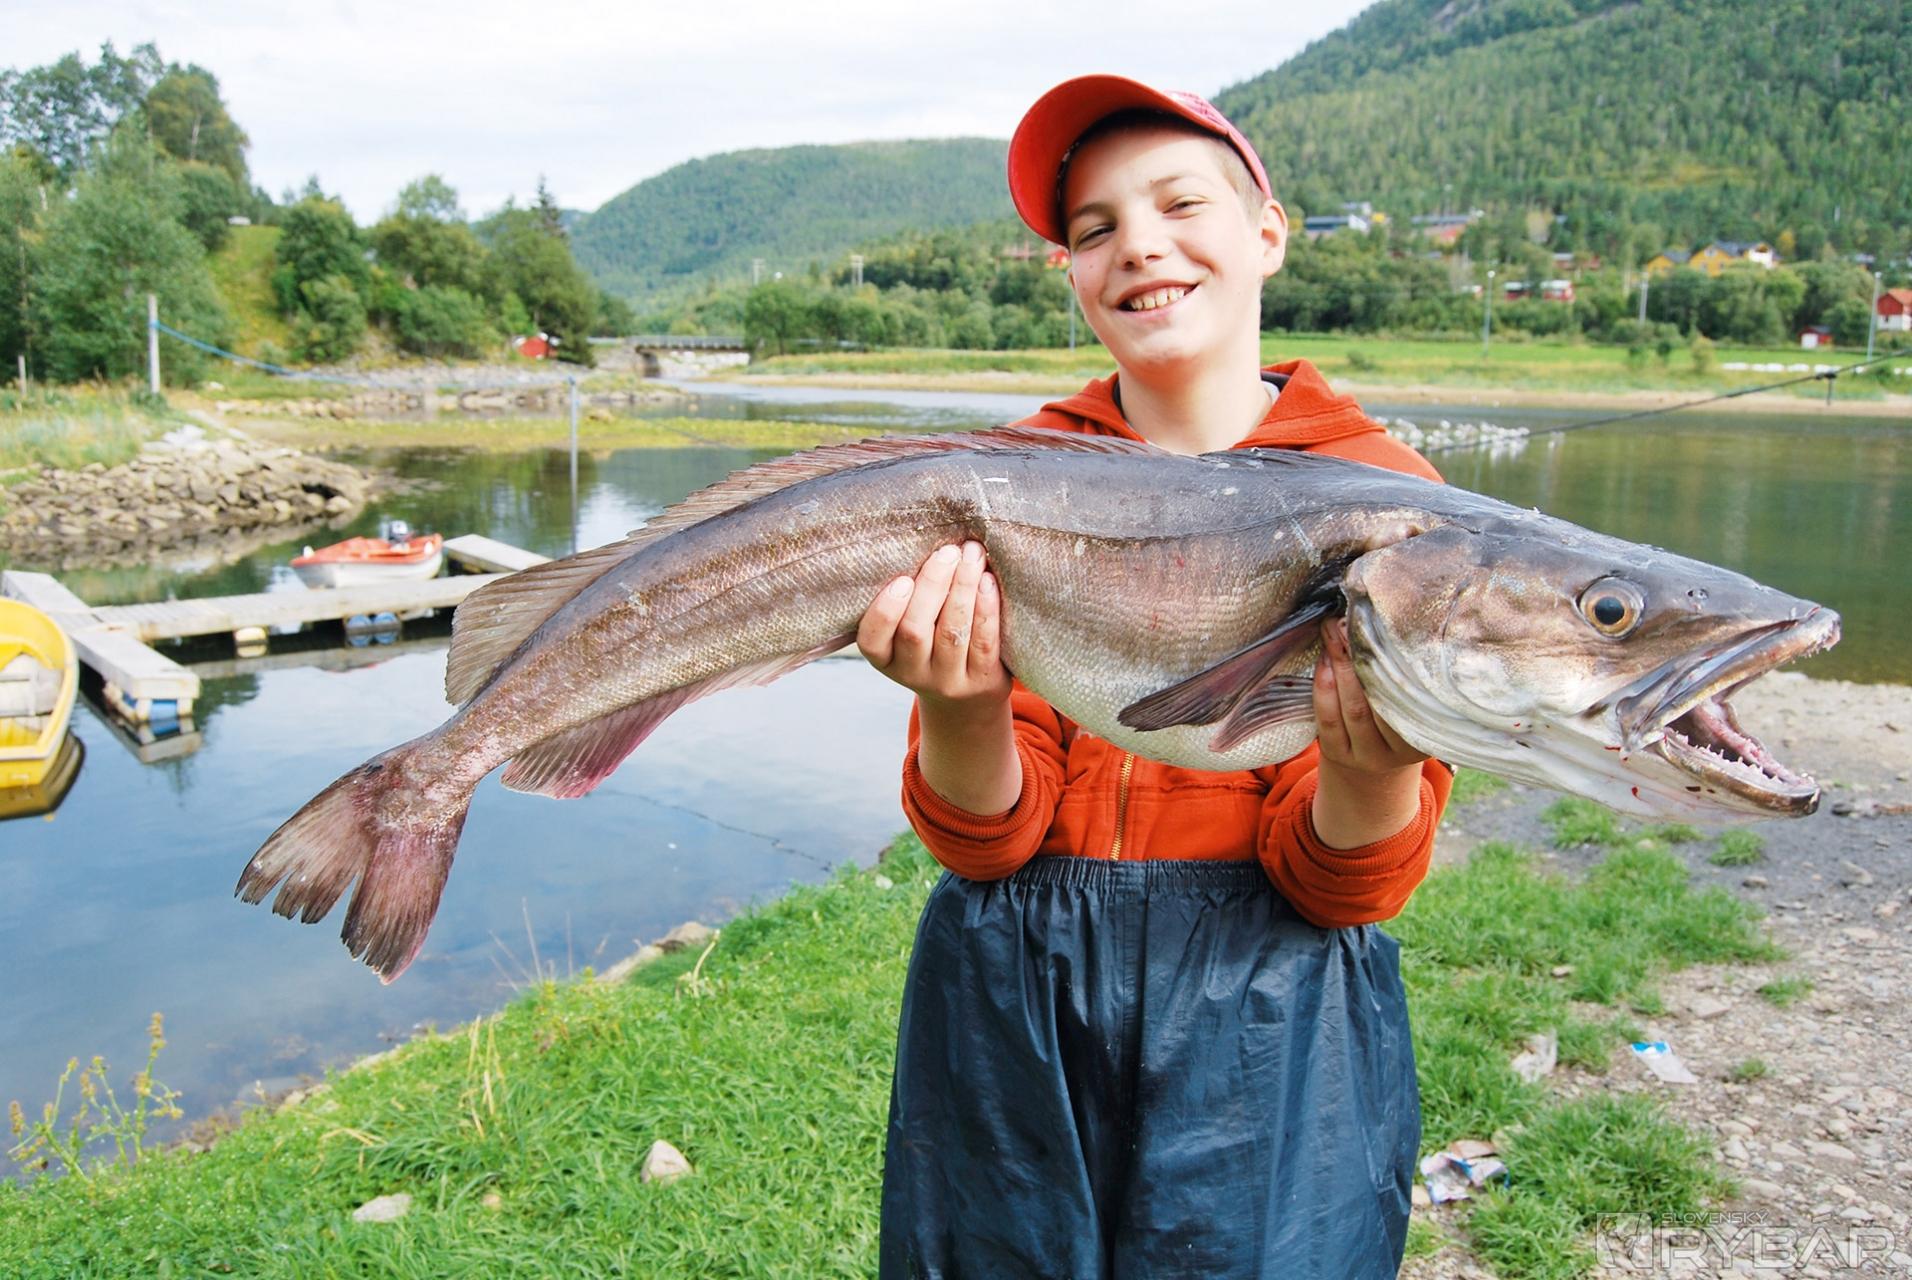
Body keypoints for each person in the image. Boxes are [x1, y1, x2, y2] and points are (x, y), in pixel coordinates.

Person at [857, 75, 1452, 1279]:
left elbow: (1342, 883)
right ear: (1072, 273)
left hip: (1274, 1014)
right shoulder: (1008, 475)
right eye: (1094, 228)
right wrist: (958, 704)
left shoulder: (1399, 508)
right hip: (1010, 992)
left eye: (1180, 203)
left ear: (1267, 233)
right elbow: (984, 842)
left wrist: (1370, 768)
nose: (1138, 244)